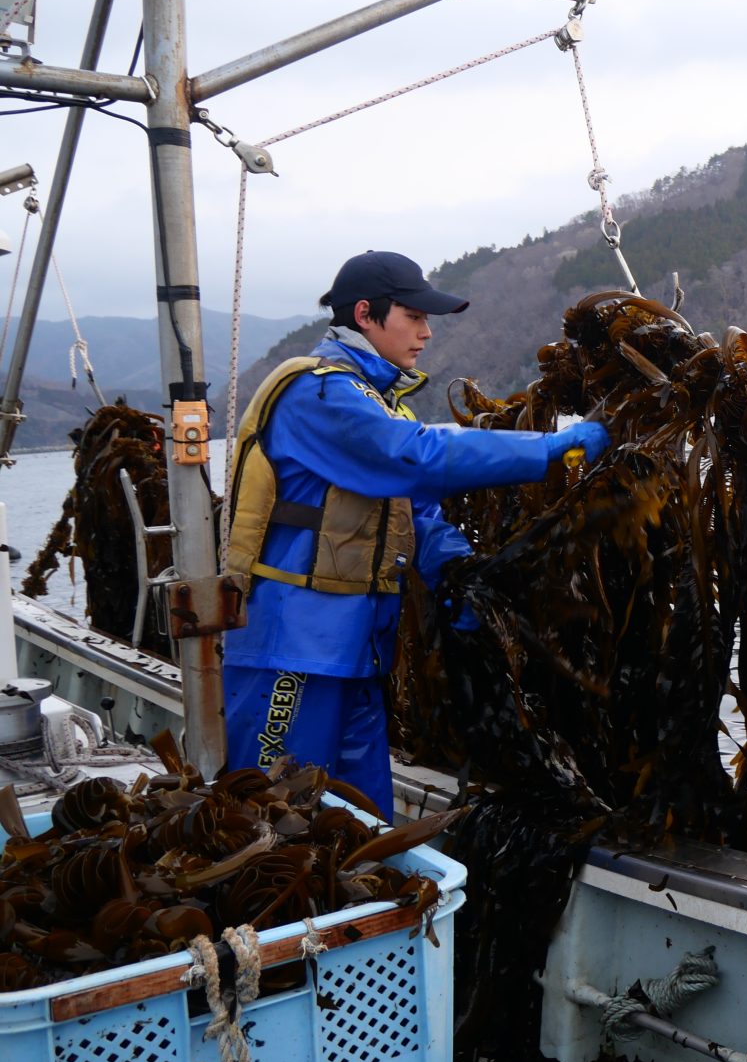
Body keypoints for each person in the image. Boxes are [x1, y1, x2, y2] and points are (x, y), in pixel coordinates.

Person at [221, 249, 609, 815]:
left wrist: (455, 572)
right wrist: (549, 448)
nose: (427, 332)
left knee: (365, 818)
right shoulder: (318, 394)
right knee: (275, 816)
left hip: (359, 652)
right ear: (365, 315)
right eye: (414, 317)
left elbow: (415, 511)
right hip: (293, 652)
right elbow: (413, 459)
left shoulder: (378, 403)